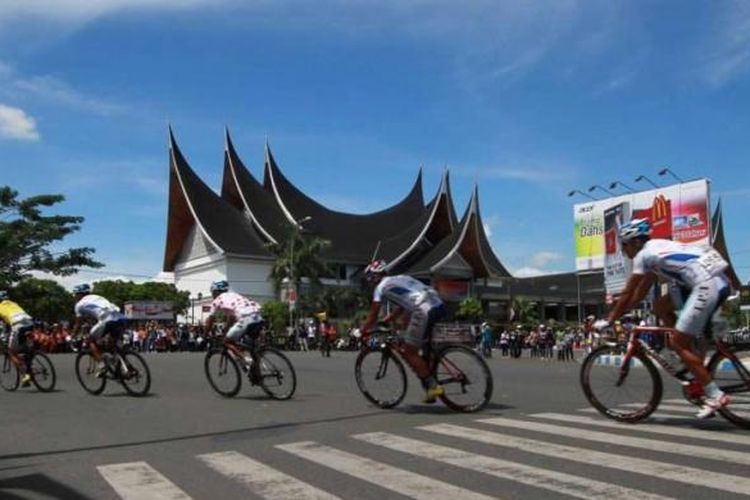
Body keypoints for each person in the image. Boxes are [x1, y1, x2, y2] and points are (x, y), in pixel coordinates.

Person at [598, 218, 732, 418]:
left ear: (635, 242)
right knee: (659, 307)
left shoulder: (644, 255)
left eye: (624, 245)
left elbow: (628, 292)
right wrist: (623, 311)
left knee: (678, 344)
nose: (623, 251)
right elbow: (639, 294)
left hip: (705, 286)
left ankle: (715, 394)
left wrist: (609, 320)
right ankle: (692, 347)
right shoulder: (658, 249)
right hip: (718, 281)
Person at [360, 260, 446, 403]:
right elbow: (404, 304)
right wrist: (388, 319)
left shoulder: (380, 287)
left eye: (369, 278)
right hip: (438, 304)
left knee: (408, 351)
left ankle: (433, 385)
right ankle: (430, 387)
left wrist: (363, 330)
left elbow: (373, 313)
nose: (369, 282)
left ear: (374, 277)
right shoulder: (401, 278)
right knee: (424, 350)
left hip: (423, 309)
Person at [71, 284, 127, 371]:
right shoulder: (96, 297)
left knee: (90, 340)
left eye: (75, 294)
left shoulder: (79, 305)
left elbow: (78, 323)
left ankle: (102, 363)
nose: (74, 297)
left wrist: (73, 336)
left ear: (79, 294)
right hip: (121, 317)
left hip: (107, 319)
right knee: (112, 344)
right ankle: (124, 365)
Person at [204, 280, 263, 354]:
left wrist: (204, 336)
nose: (212, 295)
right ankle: (255, 363)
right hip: (257, 315)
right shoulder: (234, 295)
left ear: (216, 292)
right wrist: (225, 331)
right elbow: (231, 319)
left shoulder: (217, 301)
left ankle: (247, 360)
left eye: (212, 292)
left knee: (226, 342)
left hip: (245, 318)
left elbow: (210, 321)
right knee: (251, 346)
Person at [0, 290, 35, 386]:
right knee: (25, 348)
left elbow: (4, 326)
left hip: (18, 326)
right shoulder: (14, 303)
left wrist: (4, 337)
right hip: (30, 323)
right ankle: (29, 363)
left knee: (11, 351)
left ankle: (25, 375)